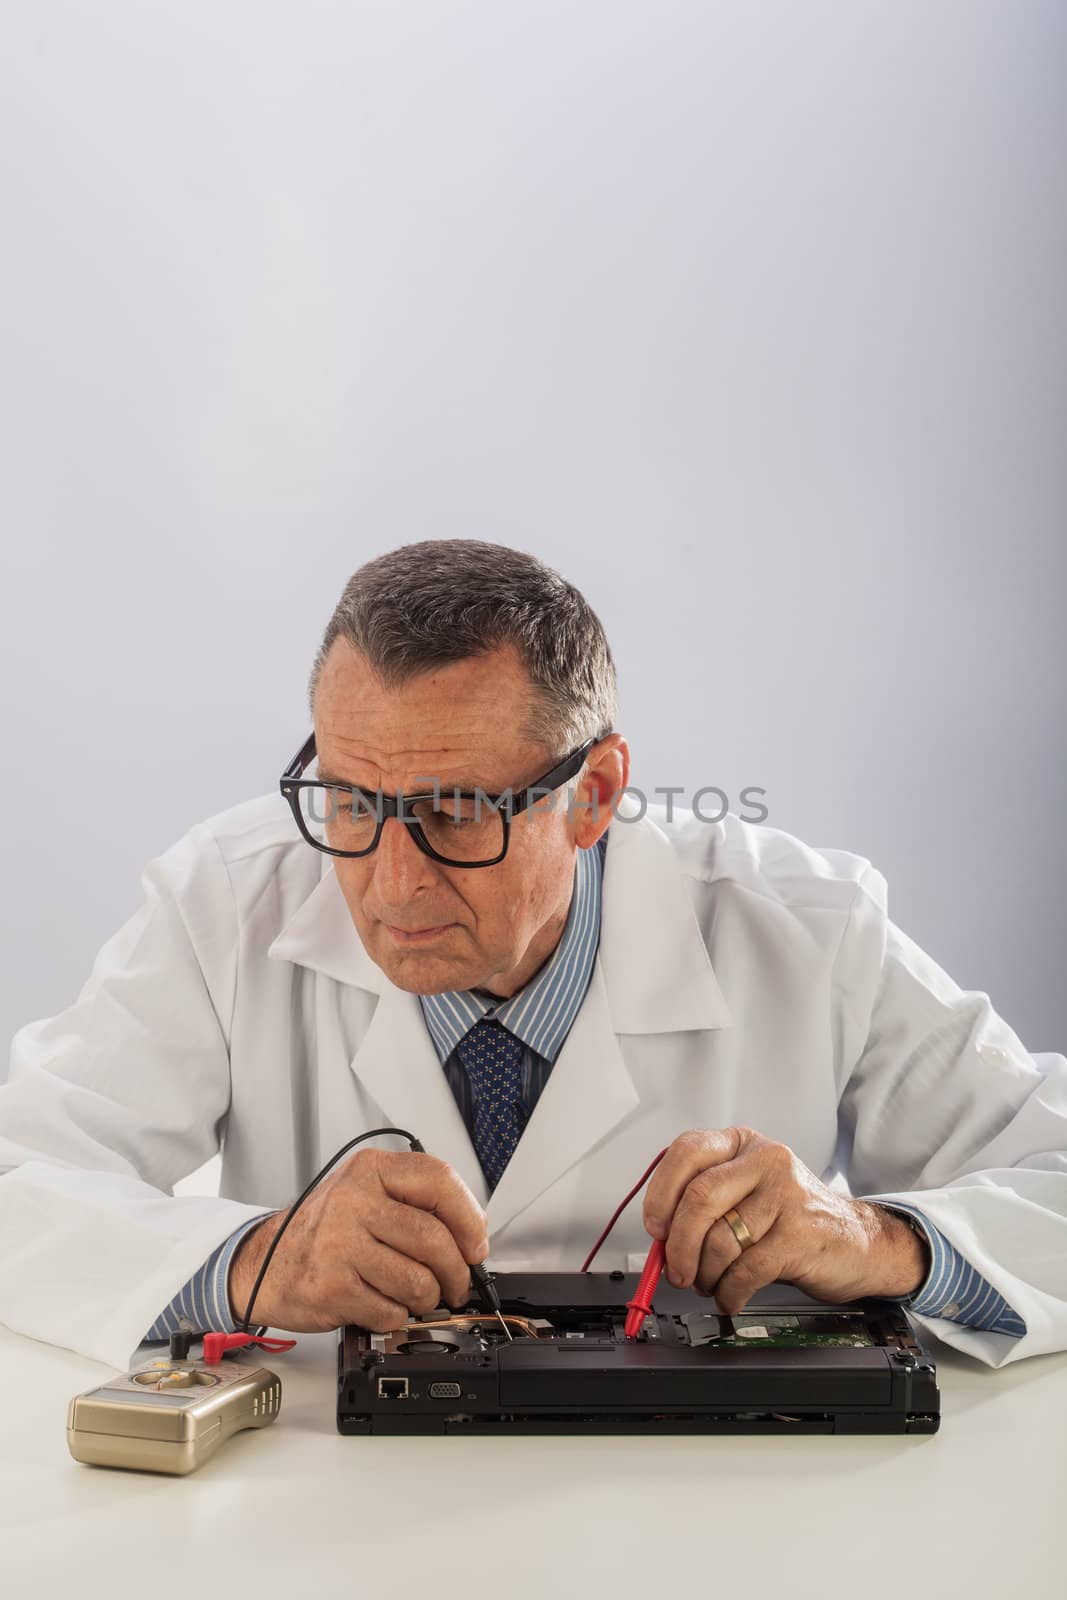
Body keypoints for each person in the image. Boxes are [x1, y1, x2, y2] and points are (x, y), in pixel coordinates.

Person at [2, 540, 1064, 1370]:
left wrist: (881, 1241)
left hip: (713, 1513)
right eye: (348, 800)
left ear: (592, 794)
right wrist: (251, 1261)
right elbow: (20, 1179)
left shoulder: (806, 924)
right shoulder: (224, 898)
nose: (390, 881)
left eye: (456, 812)